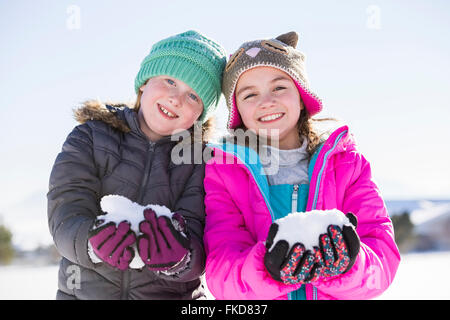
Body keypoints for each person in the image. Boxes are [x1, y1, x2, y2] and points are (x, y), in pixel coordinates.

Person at [203, 31, 400, 300]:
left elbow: (383, 260)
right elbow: (221, 273)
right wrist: (265, 270)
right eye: (249, 95)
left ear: (301, 95)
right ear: (237, 112)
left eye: (279, 87)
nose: (266, 101)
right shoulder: (225, 175)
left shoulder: (347, 165)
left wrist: (350, 265)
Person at [47, 30, 226, 300]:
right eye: (170, 80)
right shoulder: (91, 136)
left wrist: (180, 257)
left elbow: (202, 236)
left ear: (200, 115)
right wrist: (90, 242)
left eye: (194, 96)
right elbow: (66, 209)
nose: (176, 98)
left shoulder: (200, 161)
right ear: (144, 82)